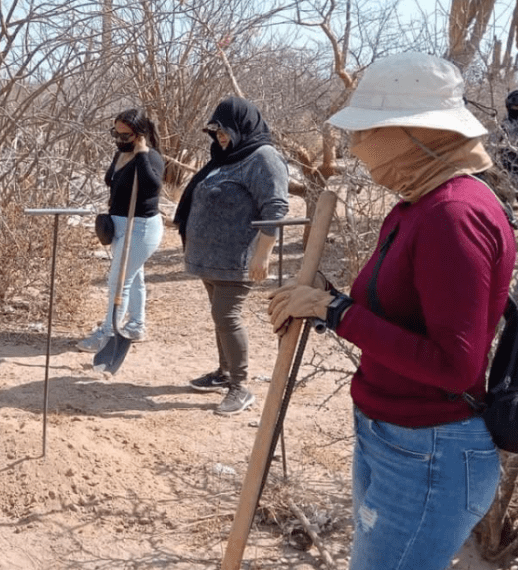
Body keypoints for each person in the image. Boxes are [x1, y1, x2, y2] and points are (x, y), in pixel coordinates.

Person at [266, 52, 515, 570]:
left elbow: (455, 365)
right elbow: (396, 317)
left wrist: (335, 312)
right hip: (392, 435)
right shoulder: (417, 205)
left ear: (413, 133)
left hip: (430, 450)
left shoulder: (454, 214)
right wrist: (321, 297)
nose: (357, 147)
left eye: (368, 131)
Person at [174, 97, 289, 416]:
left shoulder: (263, 158)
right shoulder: (223, 158)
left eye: (223, 130)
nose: (219, 137)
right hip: (211, 258)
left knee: (227, 316)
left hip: (238, 258)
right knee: (219, 317)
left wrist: (263, 255)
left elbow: (275, 208)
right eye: (215, 131)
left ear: (242, 127)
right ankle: (224, 374)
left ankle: (240, 386)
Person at [77, 109, 165, 352]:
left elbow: (153, 186)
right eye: (115, 133)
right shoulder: (120, 154)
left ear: (139, 136)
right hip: (118, 225)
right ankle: (136, 324)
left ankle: (109, 333)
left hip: (141, 228)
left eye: (125, 136)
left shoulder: (151, 157)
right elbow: (110, 180)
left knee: (118, 281)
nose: (119, 140)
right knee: (133, 277)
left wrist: (143, 156)